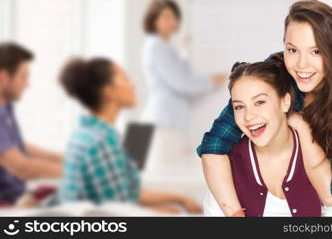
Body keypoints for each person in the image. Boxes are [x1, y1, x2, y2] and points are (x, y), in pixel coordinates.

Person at [197, 0, 332, 216]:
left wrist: (301, 126)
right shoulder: (275, 73)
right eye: (292, 50)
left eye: (316, 51)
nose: (301, 64)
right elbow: (214, 144)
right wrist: (235, 214)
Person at [58, 57, 201, 214]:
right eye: (124, 79)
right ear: (109, 91)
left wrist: (178, 198)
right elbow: (119, 211)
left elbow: (128, 194)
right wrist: (161, 212)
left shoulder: (87, 133)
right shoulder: (103, 141)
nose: (132, 85)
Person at [141, 0, 226, 172]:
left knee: (169, 174)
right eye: (165, 16)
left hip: (167, 122)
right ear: (153, 19)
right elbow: (181, 82)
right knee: (166, 177)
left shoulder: (163, 47)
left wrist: (185, 50)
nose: (171, 21)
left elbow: (180, 73)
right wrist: (211, 81)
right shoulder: (156, 47)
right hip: (163, 123)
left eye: (174, 16)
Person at [0, 42, 63, 206]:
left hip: (18, 197)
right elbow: (20, 167)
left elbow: (19, 147)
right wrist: (78, 173)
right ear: (4, 77)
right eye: (23, 77)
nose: (27, 84)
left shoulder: (6, 108)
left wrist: (65, 158)